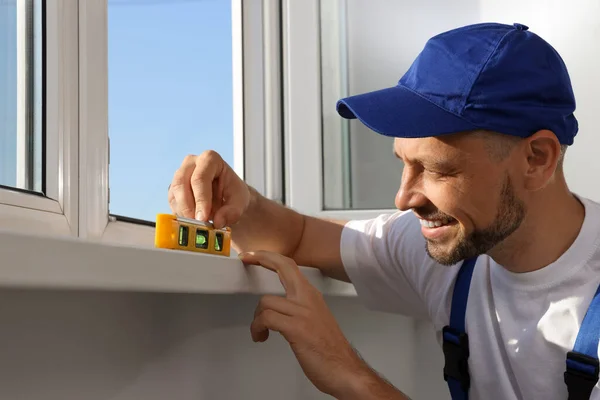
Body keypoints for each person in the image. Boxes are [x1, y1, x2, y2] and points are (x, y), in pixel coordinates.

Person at [168, 22, 600, 400]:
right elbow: (299, 236)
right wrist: (241, 201)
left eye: (437, 169)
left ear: (537, 159)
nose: (404, 198)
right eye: (404, 164)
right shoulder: (451, 249)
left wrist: (352, 377)